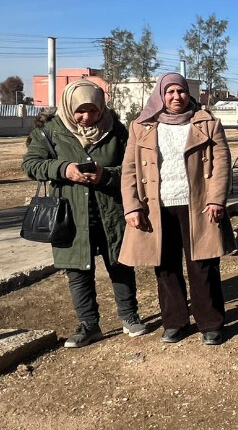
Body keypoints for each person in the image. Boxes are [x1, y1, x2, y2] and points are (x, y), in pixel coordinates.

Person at [22, 80, 147, 348]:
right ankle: (89, 325)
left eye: (93, 110)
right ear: (69, 107)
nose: (87, 117)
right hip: (70, 213)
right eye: (80, 110)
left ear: (102, 107)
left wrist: (106, 175)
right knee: (77, 269)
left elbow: (133, 168)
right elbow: (31, 164)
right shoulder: (51, 131)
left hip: (111, 210)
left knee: (120, 263)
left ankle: (129, 316)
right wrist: (63, 169)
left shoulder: (116, 130)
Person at [118, 73, 232, 346]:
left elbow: (222, 163)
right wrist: (132, 206)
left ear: (187, 93)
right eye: (169, 92)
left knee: (203, 264)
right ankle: (175, 322)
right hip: (156, 206)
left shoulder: (207, 123)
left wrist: (216, 199)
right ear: (160, 95)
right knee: (165, 266)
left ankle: (210, 323)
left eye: (180, 91)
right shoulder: (141, 126)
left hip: (198, 204)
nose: (176, 97)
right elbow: (129, 169)